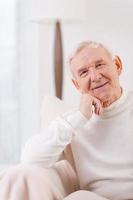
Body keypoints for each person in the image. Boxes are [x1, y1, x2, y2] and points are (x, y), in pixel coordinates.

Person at [1, 41, 133, 200]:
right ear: (77, 85)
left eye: (100, 65)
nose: (95, 76)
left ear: (117, 65)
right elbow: (30, 158)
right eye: (84, 72)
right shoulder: (73, 121)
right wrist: (80, 117)